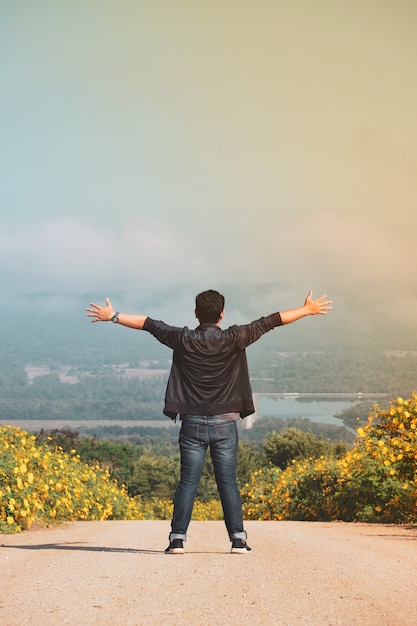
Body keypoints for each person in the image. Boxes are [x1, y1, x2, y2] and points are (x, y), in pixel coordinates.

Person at [86, 289, 332, 554]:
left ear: (196, 313)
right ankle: (238, 539)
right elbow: (270, 321)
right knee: (228, 482)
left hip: (191, 424)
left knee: (187, 482)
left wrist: (113, 316)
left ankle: (177, 539)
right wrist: (306, 310)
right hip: (225, 425)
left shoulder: (182, 338)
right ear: (222, 314)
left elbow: (148, 324)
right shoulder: (235, 337)